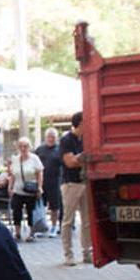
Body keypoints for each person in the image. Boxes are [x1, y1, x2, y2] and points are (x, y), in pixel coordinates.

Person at [60, 111, 92, 266]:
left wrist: (81, 158)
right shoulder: (66, 140)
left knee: (87, 221)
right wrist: (84, 159)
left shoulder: (86, 139)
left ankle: (87, 252)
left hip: (85, 182)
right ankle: (68, 254)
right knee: (68, 220)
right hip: (71, 184)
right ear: (80, 123)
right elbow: (70, 162)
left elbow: (83, 159)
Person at [7, 137, 43, 242]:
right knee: (16, 211)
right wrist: (10, 186)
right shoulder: (15, 159)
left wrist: (40, 187)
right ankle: (17, 233)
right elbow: (12, 175)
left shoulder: (34, 158)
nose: (23, 148)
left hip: (31, 190)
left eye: (25, 146)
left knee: (31, 211)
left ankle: (31, 233)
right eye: (21, 146)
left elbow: (39, 173)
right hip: (18, 189)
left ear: (29, 147)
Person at [34, 128, 63, 238]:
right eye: (49, 137)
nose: (51, 139)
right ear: (45, 138)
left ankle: (54, 227)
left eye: (53, 137)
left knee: (54, 206)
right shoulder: (40, 149)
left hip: (55, 181)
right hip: (42, 181)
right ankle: (42, 227)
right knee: (41, 204)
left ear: (56, 138)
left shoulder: (60, 149)